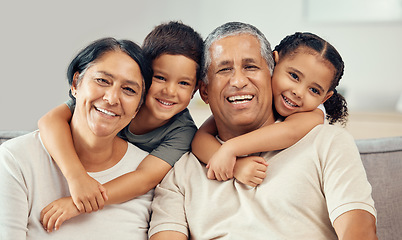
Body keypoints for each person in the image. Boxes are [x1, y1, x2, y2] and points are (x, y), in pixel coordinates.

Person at [148, 22, 377, 239]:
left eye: (250, 67)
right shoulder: (180, 173)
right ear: (204, 92)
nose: (238, 81)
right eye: (224, 69)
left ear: (271, 73)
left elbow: (359, 232)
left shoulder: (327, 141)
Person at [36, 21, 203, 230]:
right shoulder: (110, 101)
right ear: (142, 76)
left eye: (183, 83)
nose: (170, 91)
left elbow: (143, 178)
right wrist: (76, 176)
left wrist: (79, 203)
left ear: (196, 89)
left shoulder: (183, 131)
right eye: (160, 78)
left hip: (120, 195)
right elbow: (50, 120)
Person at [0, 37, 154, 239]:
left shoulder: (149, 173)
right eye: (102, 80)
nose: (112, 98)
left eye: (129, 90)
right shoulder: (15, 159)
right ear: (75, 84)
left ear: (138, 108)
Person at [191, 32, 348, 186]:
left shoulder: (313, 114)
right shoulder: (255, 100)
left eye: (314, 90)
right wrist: (237, 166)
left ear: (325, 97)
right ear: (274, 62)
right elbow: (200, 139)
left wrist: (231, 148)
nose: (298, 92)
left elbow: (289, 132)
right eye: (294, 76)